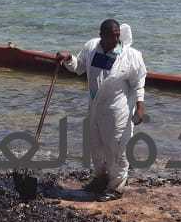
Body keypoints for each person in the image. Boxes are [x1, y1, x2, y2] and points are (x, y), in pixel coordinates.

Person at [56, 19, 147, 200]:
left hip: (117, 110)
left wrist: (140, 107)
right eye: (111, 36)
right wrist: (68, 58)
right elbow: (79, 66)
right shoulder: (91, 48)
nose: (116, 39)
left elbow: (139, 83)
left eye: (117, 35)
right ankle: (101, 178)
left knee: (116, 148)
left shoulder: (131, 56)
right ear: (101, 36)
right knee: (95, 145)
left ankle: (116, 187)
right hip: (95, 106)